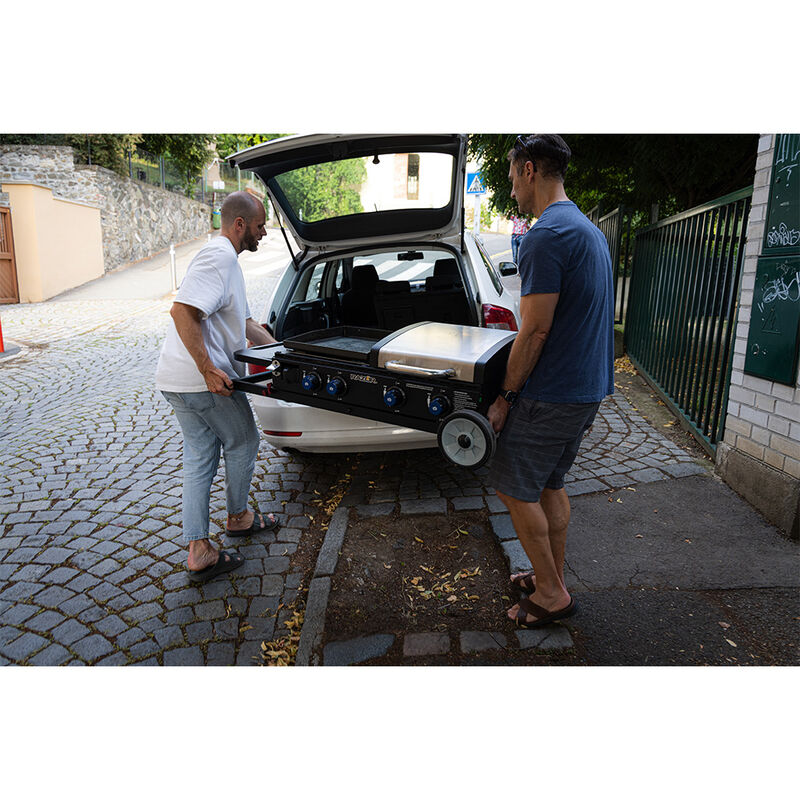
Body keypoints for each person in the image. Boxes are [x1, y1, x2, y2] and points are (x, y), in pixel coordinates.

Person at [486, 135, 614, 628]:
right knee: (549, 486)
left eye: (513, 173)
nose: (511, 185)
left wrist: (505, 398)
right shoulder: (584, 227)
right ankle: (550, 577)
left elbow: (535, 329)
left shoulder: (546, 235)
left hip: (553, 392)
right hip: (586, 388)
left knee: (514, 489)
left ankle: (552, 596)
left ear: (530, 170)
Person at [156, 191, 280, 582]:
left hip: (176, 380)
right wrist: (209, 370)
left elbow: (243, 323)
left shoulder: (228, 263)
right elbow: (182, 311)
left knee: (199, 455)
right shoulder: (220, 257)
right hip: (200, 381)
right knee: (243, 440)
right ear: (240, 224)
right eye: (260, 226)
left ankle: (198, 550)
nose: (264, 233)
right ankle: (239, 518)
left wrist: (281, 348)